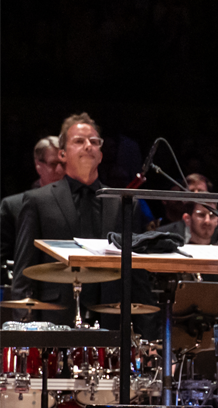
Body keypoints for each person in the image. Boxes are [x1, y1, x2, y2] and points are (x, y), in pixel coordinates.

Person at [9, 113, 153, 321]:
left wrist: (149, 335)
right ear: (62, 154)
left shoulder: (123, 203)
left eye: (94, 142)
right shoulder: (37, 201)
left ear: (101, 154)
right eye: (79, 141)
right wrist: (25, 331)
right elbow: (24, 272)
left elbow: (137, 275)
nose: (88, 146)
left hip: (111, 319)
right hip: (55, 319)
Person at [1, 137, 65, 275]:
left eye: (63, 164)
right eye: (53, 163)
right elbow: (4, 260)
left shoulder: (78, 204)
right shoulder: (13, 206)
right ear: (38, 165)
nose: (60, 170)